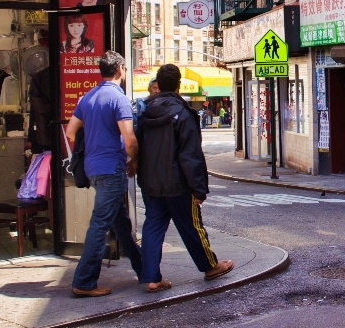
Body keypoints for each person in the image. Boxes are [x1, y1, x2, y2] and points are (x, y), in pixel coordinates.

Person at [136, 64, 233, 293]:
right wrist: (199, 189)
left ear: (158, 84)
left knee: (152, 227)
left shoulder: (145, 112)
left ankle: (151, 277)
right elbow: (190, 155)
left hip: (151, 182)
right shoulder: (183, 113)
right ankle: (210, 266)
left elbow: (138, 147)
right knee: (192, 226)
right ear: (178, 85)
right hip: (178, 183)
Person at [65, 51, 142, 297]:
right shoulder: (118, 99)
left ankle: (144, 270)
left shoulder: (87, 97)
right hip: (111, 168)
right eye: (126, 69)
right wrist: (134, 160)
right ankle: (84, 282)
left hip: (93, 169)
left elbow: (70, 132)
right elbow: (129, 139)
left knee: (120, 223)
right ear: (119, 70)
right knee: (99, 225)